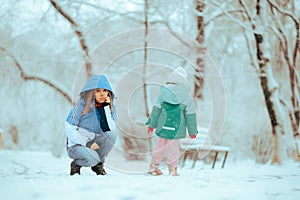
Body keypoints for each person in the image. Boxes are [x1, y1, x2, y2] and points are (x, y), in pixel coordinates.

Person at [146, 67, 198, 176]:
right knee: (173, 148)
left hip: (162, 126)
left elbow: (156, 110)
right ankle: (172, 168)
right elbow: (190, 115)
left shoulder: (163, 95)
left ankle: (154, 166)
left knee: (159, 146)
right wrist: (192, 131)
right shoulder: (187, 98)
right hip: (176, 127)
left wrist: (152, 124)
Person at [65, 75, 116, 176]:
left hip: (94, 141)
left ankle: (98, 164)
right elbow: (69, 127)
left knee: (111, 136)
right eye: (98, 91)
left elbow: (110, 129)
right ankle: (76, 164)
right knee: (92, 159)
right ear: (92, 92)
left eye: (104, 91)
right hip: (77, 144)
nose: (102, 94)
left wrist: (104, 109)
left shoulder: (109, 107)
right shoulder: (82, 105)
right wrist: (87, 143)